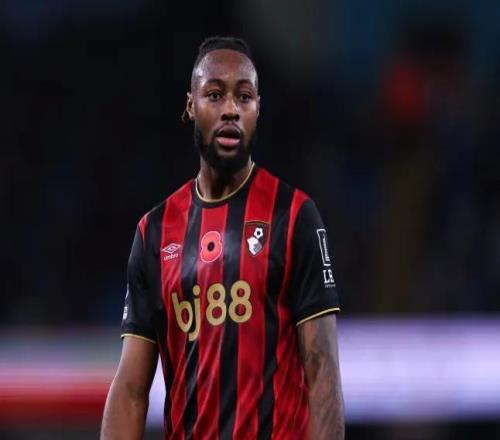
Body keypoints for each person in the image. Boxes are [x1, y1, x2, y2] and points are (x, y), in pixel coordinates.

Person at [101, 36, 344, 440]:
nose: (231, 108)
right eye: (215, 95)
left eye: (244, 96)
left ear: (258, 109)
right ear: (190, 106)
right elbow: (129, 389)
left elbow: (323, 372)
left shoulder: (294, 216)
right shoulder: (154, 232)